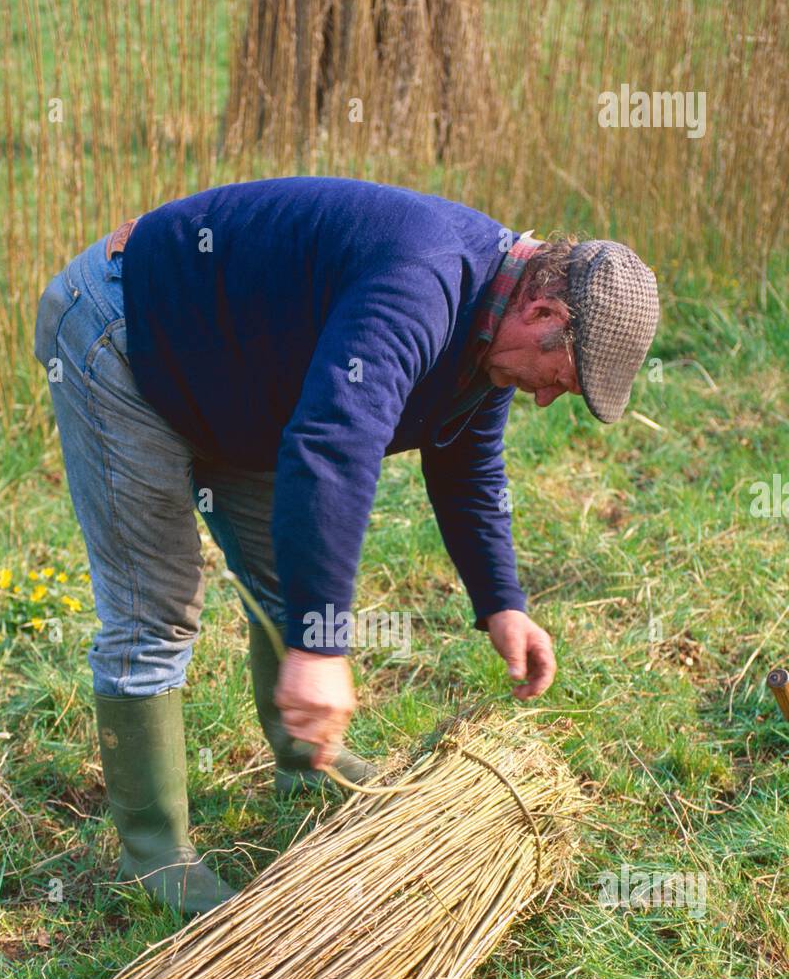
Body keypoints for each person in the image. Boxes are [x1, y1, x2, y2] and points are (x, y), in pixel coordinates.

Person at [33, 176, 659, 914]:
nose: (548, 398)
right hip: (124, 336)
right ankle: (154, 856)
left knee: (286, 582)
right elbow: (333, 444)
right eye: (561, 379)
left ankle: (305, 766)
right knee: (158, 607)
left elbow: (467, 464)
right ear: (545, 312)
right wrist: (320, 653)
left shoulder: (497, 317)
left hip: (234, 377)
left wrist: (502, 604)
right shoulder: (423, 279)